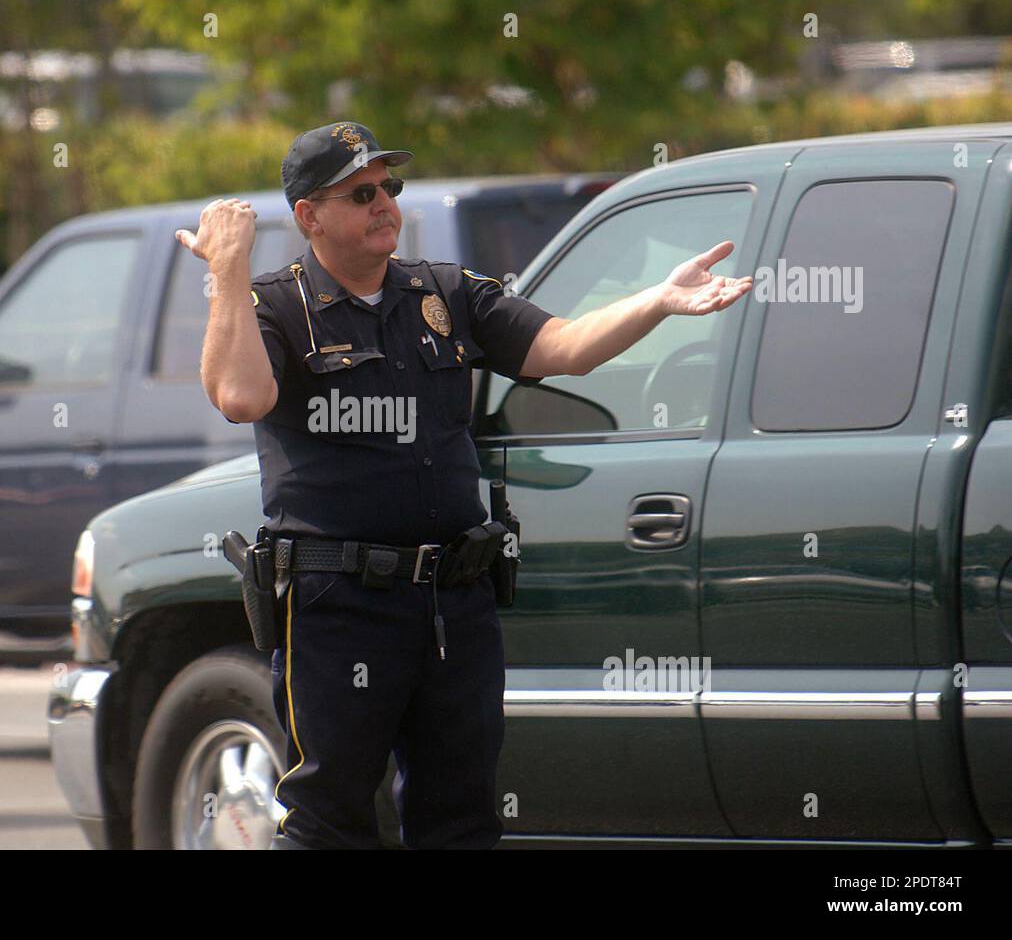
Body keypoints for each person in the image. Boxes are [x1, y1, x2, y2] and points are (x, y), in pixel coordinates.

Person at [176, 121, 752, 849]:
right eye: (361, 192)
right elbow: (239, 395)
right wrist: (226, 270)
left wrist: (660, 301)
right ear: (309, 217)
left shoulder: (443, 292)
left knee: (463, 819)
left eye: (390, 185)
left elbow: (562, 349)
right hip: (340, 608)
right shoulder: (277, 307)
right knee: (330, 819)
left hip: (454, 602)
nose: (384, 202)